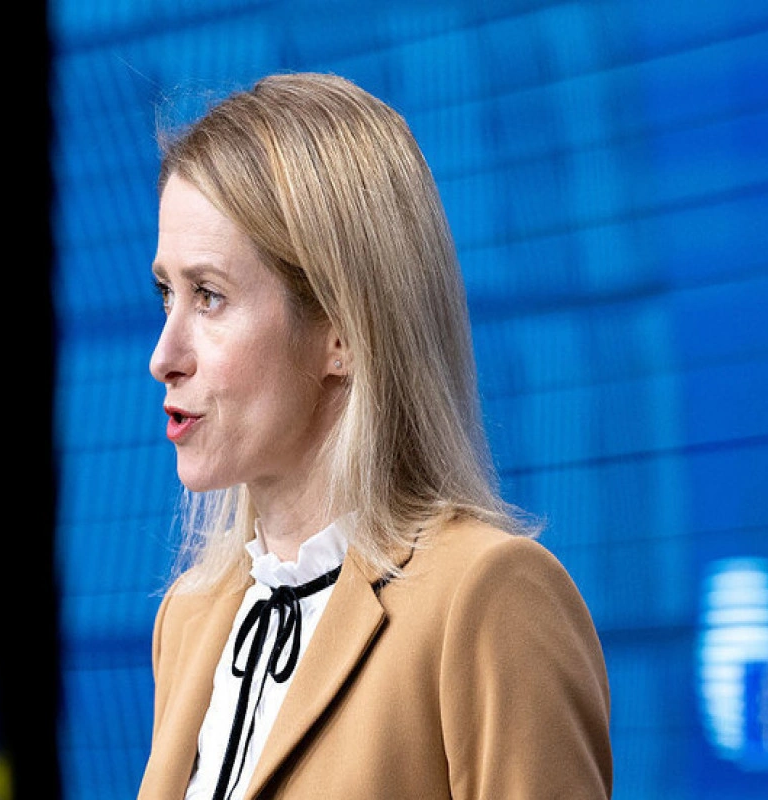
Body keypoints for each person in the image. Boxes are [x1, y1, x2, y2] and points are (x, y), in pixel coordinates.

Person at [138, 72, 611, 800]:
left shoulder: (488, 599)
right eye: (167, 293)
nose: (163, 356)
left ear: (342, 333)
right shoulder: (188, 620)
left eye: (209, 296)